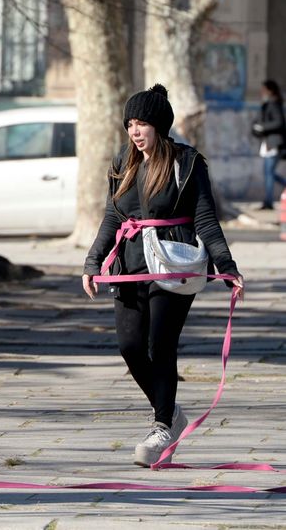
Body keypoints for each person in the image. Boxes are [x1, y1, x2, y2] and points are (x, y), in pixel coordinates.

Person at [81, 84, 244, 467]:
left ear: (160, 125)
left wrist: (226, 265)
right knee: (130, 346)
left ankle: (160, 428)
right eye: (131, 124)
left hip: (173, 263)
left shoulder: (187, 163)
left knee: (160, 345)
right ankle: (169, 411)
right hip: (130, 265)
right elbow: (112, 216)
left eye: (142, 124)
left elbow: (205, 217)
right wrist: (93, 262)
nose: (135, 132)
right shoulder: (123, 161)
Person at [252, 79, 286, 209]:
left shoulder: (274, 104)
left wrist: (263, 127)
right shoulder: (267, 104)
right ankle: (268, 201)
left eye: (263, 89)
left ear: (270, 90)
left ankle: (268, 202)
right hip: (268, 144)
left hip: (274, 144)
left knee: (269, 173)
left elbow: (279, 123)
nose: (261, 92)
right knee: (269, 173)